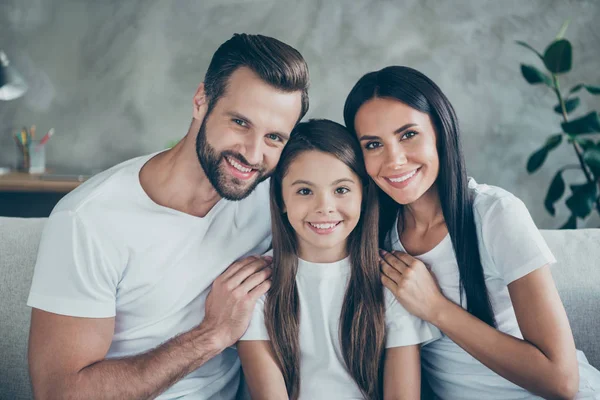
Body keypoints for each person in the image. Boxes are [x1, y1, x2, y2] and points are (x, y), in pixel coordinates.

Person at [26, 33, 309, 399]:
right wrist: (212, 335)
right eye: (240, 123)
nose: (253, 155)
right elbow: (59, 393)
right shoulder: (89, 219)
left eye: (274, 138)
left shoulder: (277, 199)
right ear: (200, 101)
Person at [343, 65, 600, 399]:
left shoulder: (495, 214)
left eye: (408, 135)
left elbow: (561, 381)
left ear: (440, 131)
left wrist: (435, 307)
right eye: (374, 144)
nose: (394, 160)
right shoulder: (377, 237)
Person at [237, 119, 440, 399]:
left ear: (363, 195)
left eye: (341, 190)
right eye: (304, 191)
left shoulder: (392, 283)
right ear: (281, 199)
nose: (324, 207)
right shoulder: (257, 288)